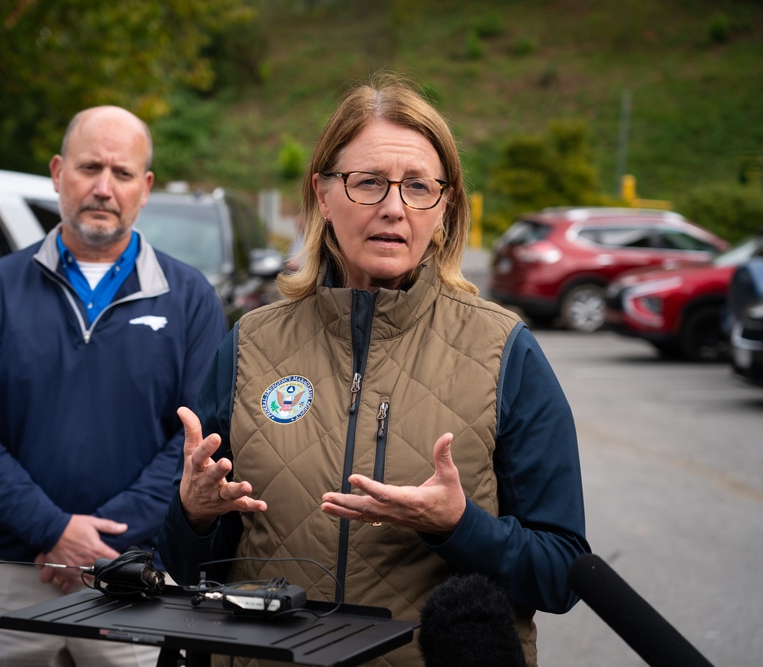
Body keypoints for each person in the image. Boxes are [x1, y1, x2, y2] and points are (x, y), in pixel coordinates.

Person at [158, 73, 589, 667]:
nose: (393, 208)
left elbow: (563, 574)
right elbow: (186, 569)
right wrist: (194, 516)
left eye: (418, 186)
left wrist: (459, 526)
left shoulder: (505, 351)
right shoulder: (251, 344)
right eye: (368, 184)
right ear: (323, 194)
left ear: (444, 206)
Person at [0, 105, 227, 667]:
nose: (103, 187)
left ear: (144, 188)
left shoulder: (191, 298)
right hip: (13, 571)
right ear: (57, 172)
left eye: (121, 174)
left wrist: (102, 542)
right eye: (88, 167)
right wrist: (52, 529)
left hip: (137, 575)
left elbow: (198, 441)